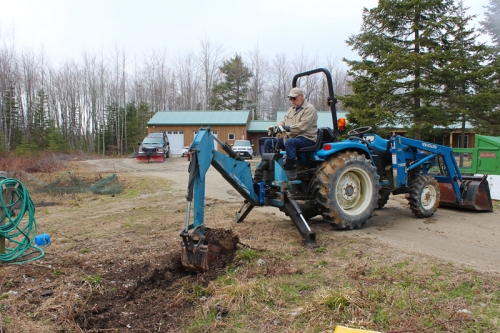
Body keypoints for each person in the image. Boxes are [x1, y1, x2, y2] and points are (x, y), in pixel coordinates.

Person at [264, 87, 318, 177]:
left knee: (290, 143)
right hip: (292, 137)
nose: (292, 101)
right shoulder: (291, 109)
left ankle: (290, 170)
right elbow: (284, 121)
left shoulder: (310, 109)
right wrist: (275, 128)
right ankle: (268, 167)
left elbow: (302, 127)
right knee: (268, 142)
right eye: (290, 98)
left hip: (306, 138)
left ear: (301, 96)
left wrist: (286, 128)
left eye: (294, 98)